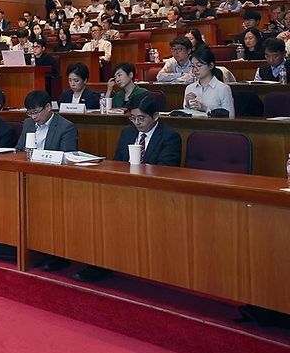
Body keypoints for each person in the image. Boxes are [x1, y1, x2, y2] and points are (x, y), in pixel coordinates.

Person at [73, 95, 183, 284]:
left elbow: (166, 171)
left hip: (155, 194)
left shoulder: (170, 136)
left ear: (155, 116)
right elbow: (117, 163)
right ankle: (99, 262)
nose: (137, 123)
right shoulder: (127, 133)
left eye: (141, 118)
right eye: (133, 118)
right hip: (125, 190)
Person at [16, 89, 78, 272]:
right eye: (30, 112)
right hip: (28, 176)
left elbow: (67, 158)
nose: (33, 117)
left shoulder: (66, 127)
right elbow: (19, 150)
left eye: (36, 112)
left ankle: (56, 253)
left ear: (49, 107)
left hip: (54, 181)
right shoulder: (27, 124)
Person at [184, 47, 235, 118]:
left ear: (211, 66)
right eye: (192, 66)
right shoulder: (189, 88)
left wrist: (205, 109)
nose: (195, 70)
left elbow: (230, 116)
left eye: (199, 66)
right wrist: (187, 104)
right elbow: (185, 115)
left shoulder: (223, 89)